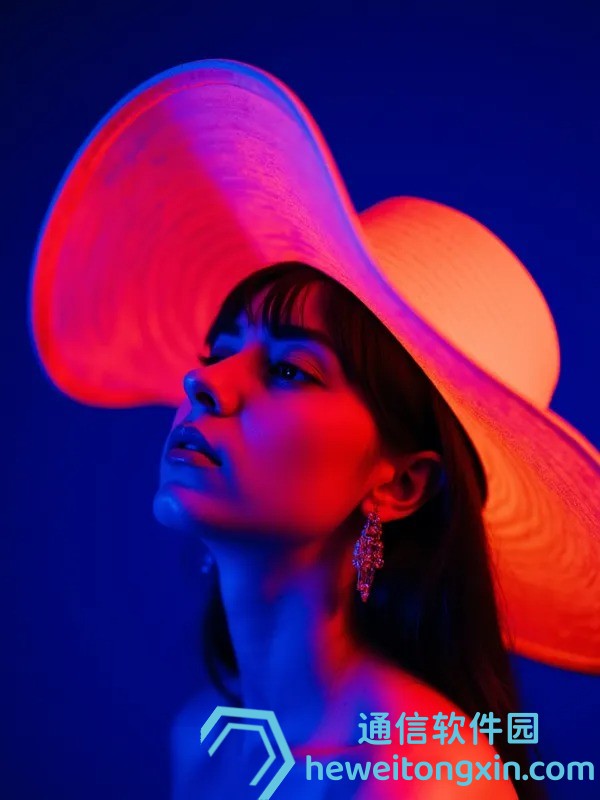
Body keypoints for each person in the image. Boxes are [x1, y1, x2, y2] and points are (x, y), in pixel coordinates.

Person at [28, 59, 599, 799]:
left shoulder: (418, 781)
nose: (203, 383)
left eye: (290, 370)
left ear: (401, 483)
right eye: (217, 351)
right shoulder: (203, 742)